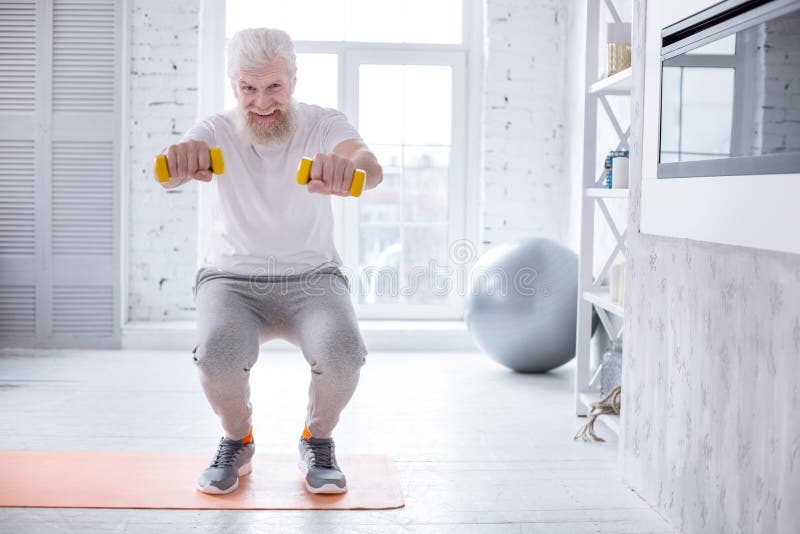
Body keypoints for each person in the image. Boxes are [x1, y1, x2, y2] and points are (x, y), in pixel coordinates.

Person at [156, 27, 382, 495]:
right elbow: (171, 170)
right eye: (249, 88)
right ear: (235, 85)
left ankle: (315, 440)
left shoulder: (323, 124)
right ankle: (237, 440)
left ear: (293, 80)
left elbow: (367, 165)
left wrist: (351, 166)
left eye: (274, 86)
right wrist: (179, 159)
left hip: (312, 279)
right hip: (231, 281)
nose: (262, 101)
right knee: (217, 356)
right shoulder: (216, 130)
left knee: (344, 355)